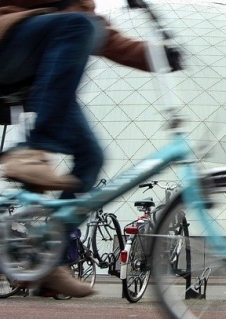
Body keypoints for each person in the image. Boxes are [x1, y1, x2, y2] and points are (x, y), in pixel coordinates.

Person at [0, 0, 176, 297]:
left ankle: (48, 262)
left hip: (38, 86)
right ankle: (33, 150)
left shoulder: (83, 11)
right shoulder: (73, 16)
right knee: (78, 26)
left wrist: (160, 55)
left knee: (91, 156)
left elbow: (112, 41)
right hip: (7, 47)